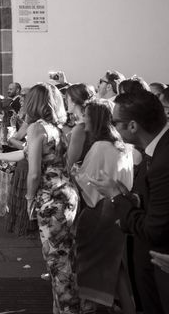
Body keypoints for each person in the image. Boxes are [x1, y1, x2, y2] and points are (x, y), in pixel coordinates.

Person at [89, 90, 169, 314]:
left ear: (132, 126)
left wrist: (116, 196)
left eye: (116, 122)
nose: (112, 126)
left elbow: (155, 230)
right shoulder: (156, 148)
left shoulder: (163, 159)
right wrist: (129, 198)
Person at [72, 101, 135, 313]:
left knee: (96, 267)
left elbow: (87, 181)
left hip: (100, 212)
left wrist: (73, 171)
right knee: (115, 268)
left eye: (86, 115)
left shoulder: (99, 147)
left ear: (96, 119)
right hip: (120, 209)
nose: (82, 120)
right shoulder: (123, 146)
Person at [24, 83, 80, 313]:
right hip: (67, 193)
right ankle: (61, 308)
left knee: (57, 261)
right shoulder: (58, 128)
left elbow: (35, 172)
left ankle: (68, 309)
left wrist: (29, 198)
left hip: (50, 198)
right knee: (65, 256)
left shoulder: (36, 129)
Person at [65, 83, 95, 169]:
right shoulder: (90, 121)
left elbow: (70, 163)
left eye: (67, 99)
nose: (66, 102)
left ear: (73, 101)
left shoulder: (80, 128)